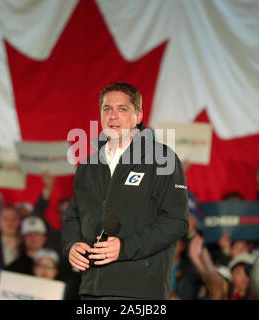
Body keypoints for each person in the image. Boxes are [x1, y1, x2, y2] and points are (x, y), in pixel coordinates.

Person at [62, 82, 189, 300]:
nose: (113, 116)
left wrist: (125, 248)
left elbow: (176, 221)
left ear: (138, 116)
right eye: (107, 109)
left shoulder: (162, 159)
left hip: (139, 291)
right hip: (91, 289)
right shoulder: (88, 165)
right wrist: (71, 246)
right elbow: (73, 216)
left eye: (122, 109)